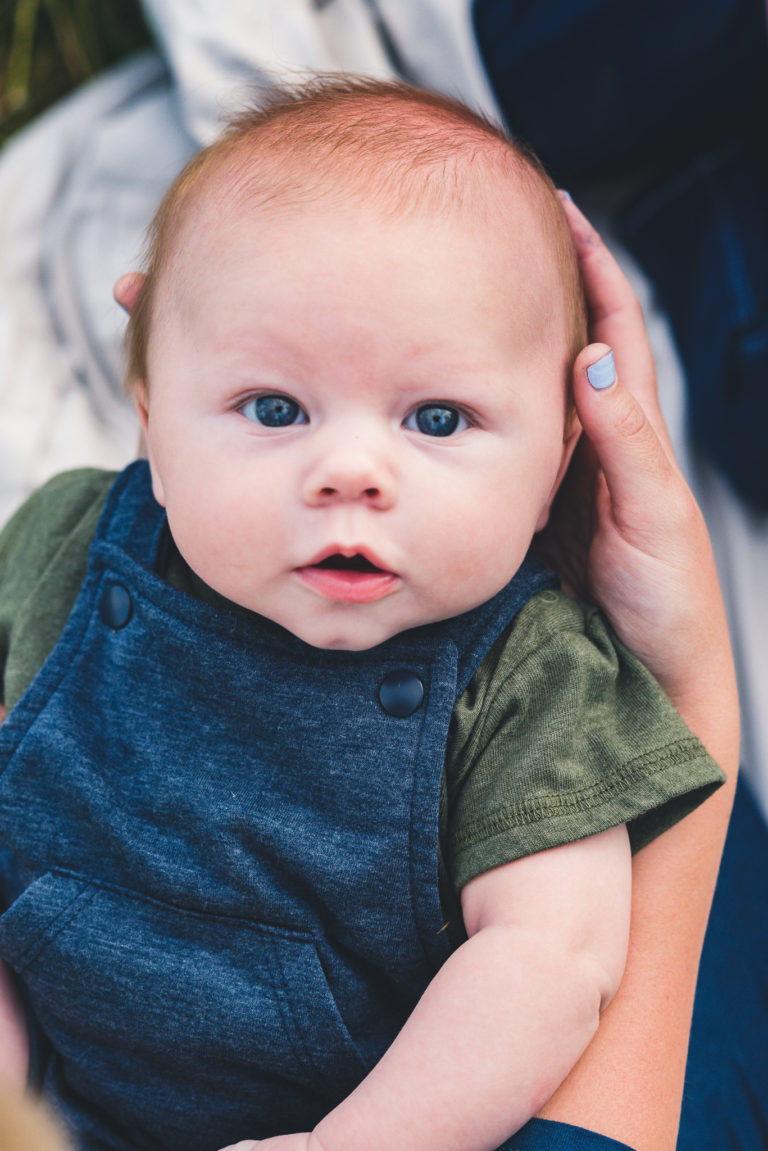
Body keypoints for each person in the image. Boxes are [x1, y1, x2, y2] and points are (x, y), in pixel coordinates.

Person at [0, 80, 733, 1151]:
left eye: (437, 418)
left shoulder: (532, 674)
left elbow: (553, 959)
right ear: (151, 418)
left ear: (558, 465)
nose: (349, 470)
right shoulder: (67, 546)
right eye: (274, 408)